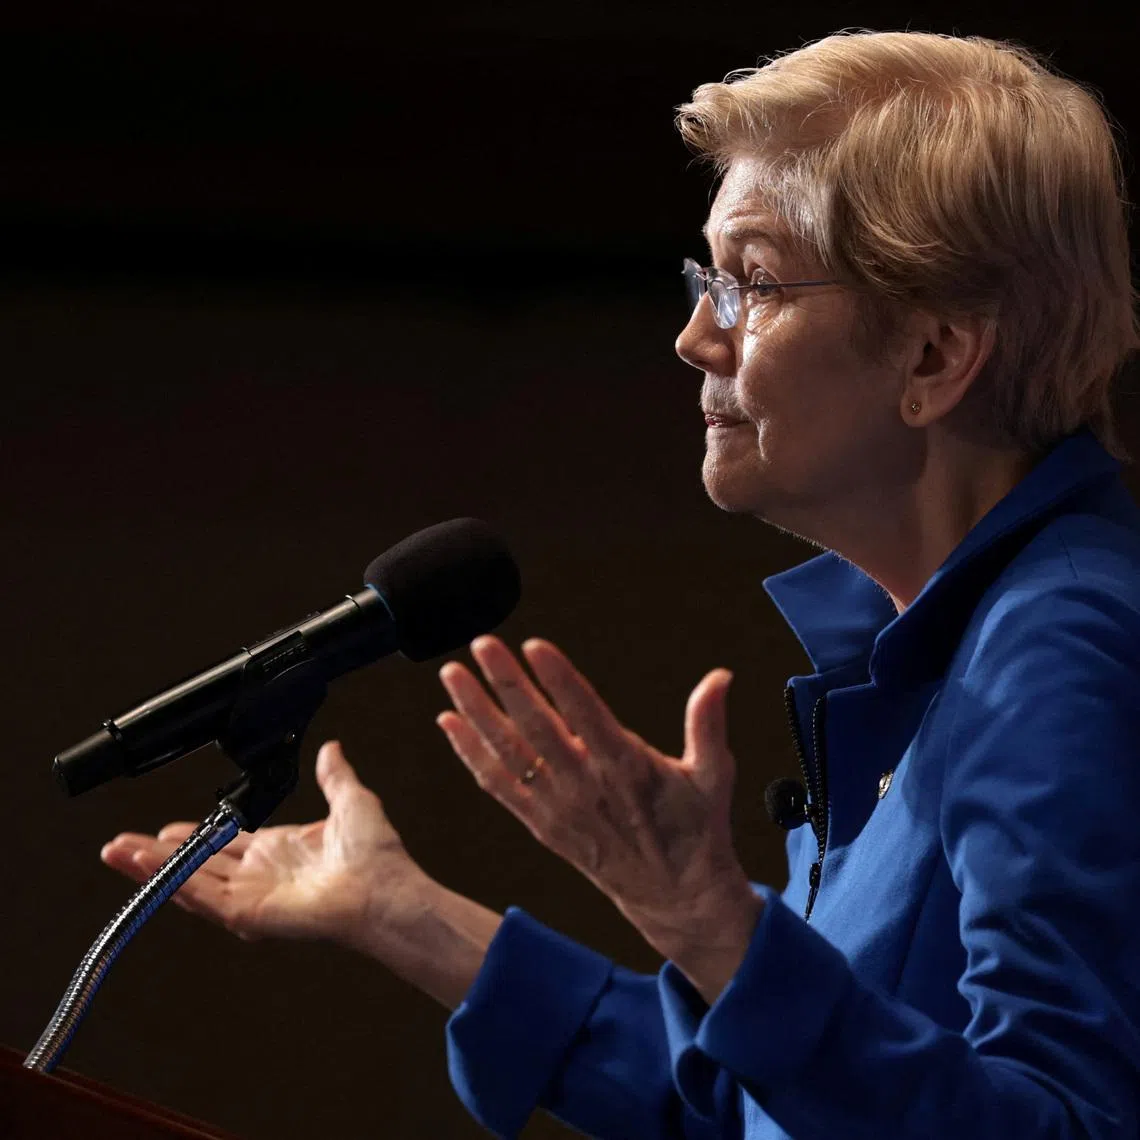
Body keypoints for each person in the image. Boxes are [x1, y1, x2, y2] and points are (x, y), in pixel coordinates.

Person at [101, 29, 1140, 1140]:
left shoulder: (1060, 650)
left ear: (934, 356)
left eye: (753, 281)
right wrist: (406, 916)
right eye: (707, 279)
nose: (697, 336)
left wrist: (714, 927)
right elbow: (752, 1112)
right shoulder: (961, 650)